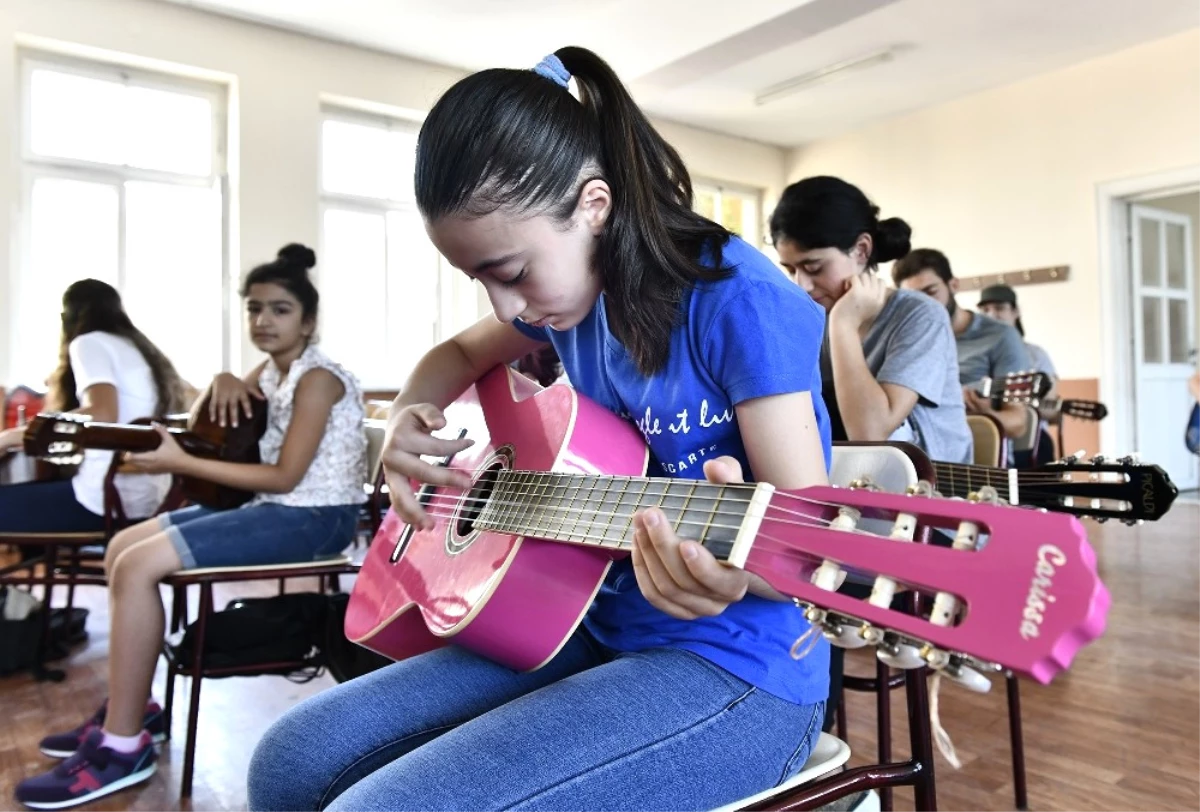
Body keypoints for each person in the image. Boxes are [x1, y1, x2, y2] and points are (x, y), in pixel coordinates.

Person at [248, 48, 832, 812]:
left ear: (594, 205)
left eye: (512, 272)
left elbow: (812, 544)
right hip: (584, 620)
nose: (505, 310)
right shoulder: (569, 301)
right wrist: (403, 425)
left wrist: (733, 575)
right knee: (288, 761)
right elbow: (456, 354)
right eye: (479, 281)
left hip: (738, 669)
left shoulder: (737, 301)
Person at [15, 244, 368, 810]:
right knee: (126, 544)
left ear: (308, 321)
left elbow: (282, 476)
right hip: (272, 509)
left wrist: (179, 462)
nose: (263, 321)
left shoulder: (317, 379)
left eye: (279, 310)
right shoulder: (277, 371)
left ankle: (123, 746)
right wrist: (225, 375)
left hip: (314, 521)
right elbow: (226, 398)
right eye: (254, 309)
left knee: (138, 563)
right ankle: (135, 709)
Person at [771, 177, 972, 465]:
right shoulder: (810, 314)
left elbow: (870, 432)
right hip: (849, 478)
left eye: (813, 267)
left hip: (933, 486)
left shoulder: (921, 315)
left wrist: (843, 325)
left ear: (862, 249)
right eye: (791, 270)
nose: (802, 285)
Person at [0, 280, 185, 536]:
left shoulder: (88, 342)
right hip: (148, 500)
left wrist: (11, 436)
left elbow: (102, 413)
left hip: (103, 502)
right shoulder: (141, 349)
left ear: (69, 315)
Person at [892, 249, 1033, 439]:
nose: (924, 305)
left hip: (972, 454)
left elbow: (1018, 424)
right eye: (913, 299)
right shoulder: (904, 339)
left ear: (954, 285)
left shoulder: (1001, 335)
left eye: (931, 292)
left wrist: (985, 414)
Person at [977, 283, 1058, 464]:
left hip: (1028, 442)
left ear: (1015, 311)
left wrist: (1017, 405)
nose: (991, 314)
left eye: (999, 308)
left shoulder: (1035, 355)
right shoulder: (975, 354)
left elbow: (1051, 410)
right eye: (985, 309)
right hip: (981, 434)